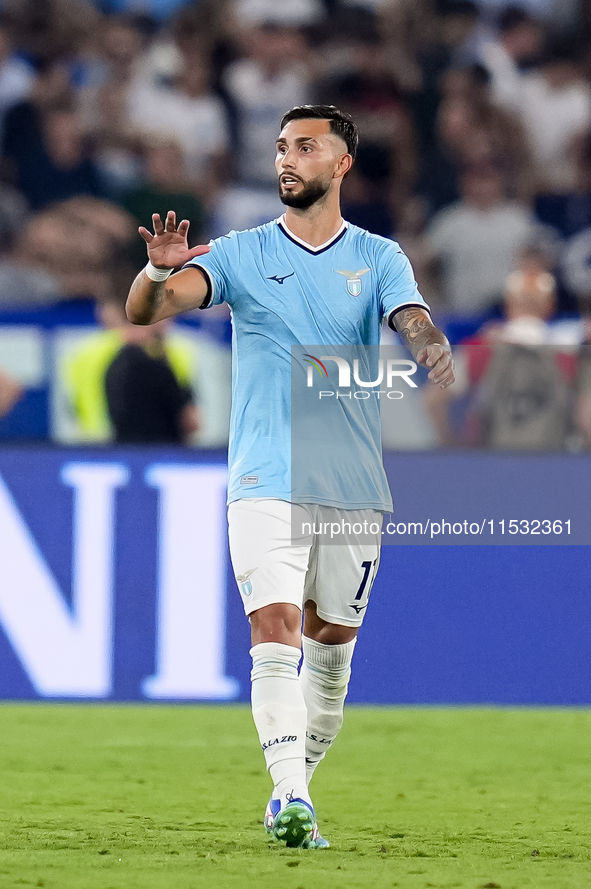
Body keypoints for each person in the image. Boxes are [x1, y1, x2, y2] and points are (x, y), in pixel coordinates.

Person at [126, 104, 454, 849]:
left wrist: (427, 341)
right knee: (273, 631)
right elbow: (146, 310)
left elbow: (409, 315)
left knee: (331, 653)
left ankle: (291, 787)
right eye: (280, 146)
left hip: (349, 485)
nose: (287, 158)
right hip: (263, 475)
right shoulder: (240, 252)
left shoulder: (376, 255)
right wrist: (156, 269)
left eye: (305, 147)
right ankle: (292, 797)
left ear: (340, 164)